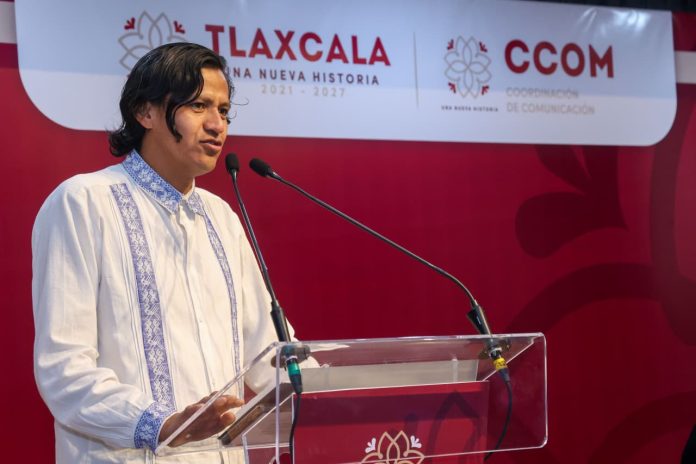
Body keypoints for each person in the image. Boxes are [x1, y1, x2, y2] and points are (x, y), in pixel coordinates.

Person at [32, 42, 281, 463]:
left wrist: (338, 397)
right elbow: (63, 369)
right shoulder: (83, 202)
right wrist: (162, 424)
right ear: (144, 112)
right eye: (198, 106)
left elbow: (269, 351)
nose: (217, 125)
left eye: (223, 111)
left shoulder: (222, 217)